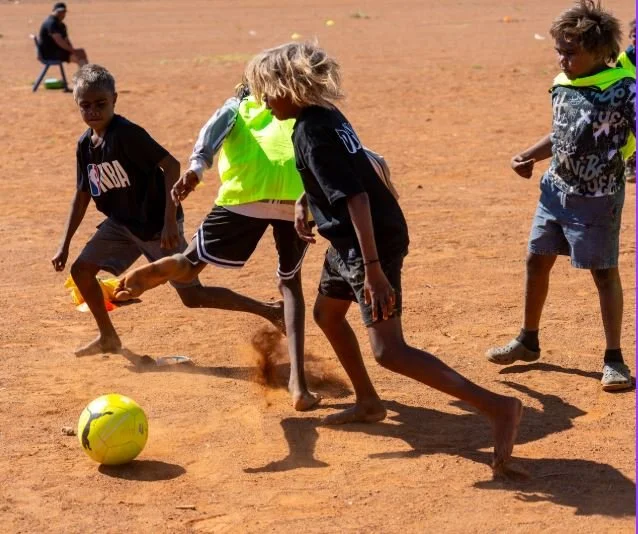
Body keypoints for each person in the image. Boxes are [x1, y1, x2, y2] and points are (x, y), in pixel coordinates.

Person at [244, 41, 524, 474]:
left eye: (268, 90)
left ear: (293, 87)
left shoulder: (311, 130)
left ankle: (498, 407)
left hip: (368, 244)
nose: (263, 100)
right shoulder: (322, 117)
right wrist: (306, 200)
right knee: (328, 314)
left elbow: (355, 196)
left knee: (389, 351)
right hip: (350, 242)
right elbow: (347, 173)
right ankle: (369, 402)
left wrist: (374, 270)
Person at [114, 83, 320, 411]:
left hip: (246, 190)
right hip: (294, 196)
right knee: (290, 284)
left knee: (192, 263)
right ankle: (298, 384)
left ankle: (176, 263)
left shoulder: (240, 104)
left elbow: (214, 130)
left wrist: (197, 168)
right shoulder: (299, 104)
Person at [485, 0, 635, 392]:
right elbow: (563, 133)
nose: (562, 59)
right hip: (555, 190)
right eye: (559, 51)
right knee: (537, 260)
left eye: (571, 52)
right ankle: (528, 339)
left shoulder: (623, 90)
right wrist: (529, 155)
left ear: (601, 51)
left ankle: (614, 357)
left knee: (603, 273)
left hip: (598, 196)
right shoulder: (562, 84)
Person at [51, 64, 209, 356]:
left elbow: (171, 166)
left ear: (115, 100)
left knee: (193, 295)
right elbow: (82, 194)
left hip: (155, 225)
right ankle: (108, 337)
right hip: (121, 224)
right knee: (81, 271)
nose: (93, 111)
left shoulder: (126, 134)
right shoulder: (85, 145)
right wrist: (64, 245)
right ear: (77, 105)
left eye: (101, 104)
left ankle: (268, 310)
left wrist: (170, 221)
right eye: (85, 106)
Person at [38, 2, 88, 67]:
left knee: (81, 52)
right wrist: (72, 51)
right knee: (78, 57)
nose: (61, 14)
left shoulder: (61, 25)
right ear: (54, 11)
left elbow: (66, 40)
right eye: (59, 12)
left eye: (63, 12)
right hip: (49, 54)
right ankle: (87, 76)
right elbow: (59, 41)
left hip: (57, 50)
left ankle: (87, 75)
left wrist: (72, 50)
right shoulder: (51, 23)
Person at [616, 18, 636, 183]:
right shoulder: (624, 59)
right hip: (630, 105)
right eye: (633, 35)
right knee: (629, 138)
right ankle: (631, 163)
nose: (635, 39)